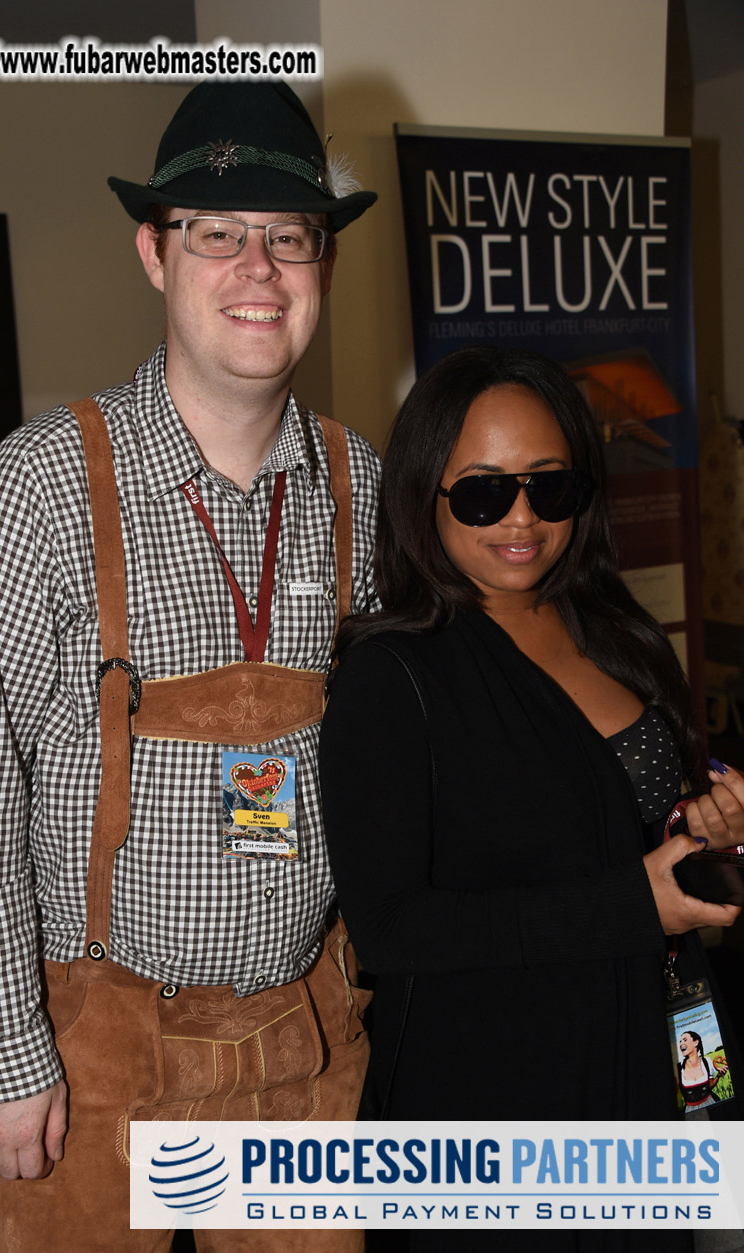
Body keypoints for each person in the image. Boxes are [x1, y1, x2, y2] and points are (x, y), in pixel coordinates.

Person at [0, 81, 380, 1253]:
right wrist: (5, 1056)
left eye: (289, 235)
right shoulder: (35, 491)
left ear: (322, 264)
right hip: (91, 1054)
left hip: (300, 1050)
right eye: (215, 233)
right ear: (153, 253)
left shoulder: (361, 486)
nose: (257, 268)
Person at [319, 346, 744, 1252]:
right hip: (495, 1102)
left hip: (644, 1057)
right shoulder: (392, 677)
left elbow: (642, 824)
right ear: (425, 495)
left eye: (549, 488)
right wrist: (633, 903)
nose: (521, 519)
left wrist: (713, 832)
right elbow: (393, 928)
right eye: (482, 492)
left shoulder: (613, 625)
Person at [679, 1030, 729, 1111]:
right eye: (680, 1041)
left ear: (696, 1043)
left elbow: (709, 1085)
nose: (681, 1043)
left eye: (685, 1040)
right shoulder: (679, 1068)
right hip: (691, 1110)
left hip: (710, 1103)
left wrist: (719, 1075)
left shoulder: (707, 1062)